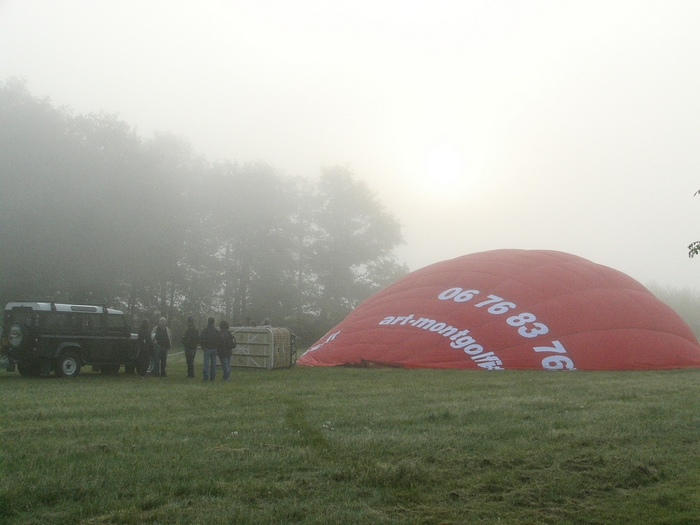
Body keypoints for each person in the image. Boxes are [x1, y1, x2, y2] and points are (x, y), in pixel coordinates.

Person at [200, 317, 219, 381]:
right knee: (213, 364)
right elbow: (219, 340)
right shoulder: (216, 331)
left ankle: (206, 377)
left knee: (206, 364)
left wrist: (203, 347)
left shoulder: (205, 331)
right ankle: (212, 377)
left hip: (207, 349)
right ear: (214, 322)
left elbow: (202, 339)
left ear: (208, 322)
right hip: (214, 349)